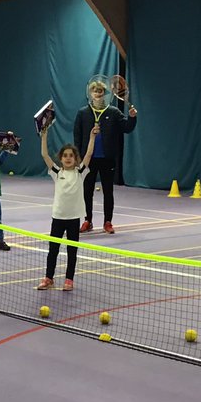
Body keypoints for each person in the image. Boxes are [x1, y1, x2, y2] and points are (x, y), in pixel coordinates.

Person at [36, 122, 98, 291]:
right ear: (61, 158)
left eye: (71, 155)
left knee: (72, 251)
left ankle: (69, 279)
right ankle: (49, 278)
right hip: (58, 217)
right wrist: (44, 136)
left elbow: (89, 154)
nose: (68, 158)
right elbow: (44, 155)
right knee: (53, 250)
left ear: (75, 158)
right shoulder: (57, 172)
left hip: (73, 218)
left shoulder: (80, 173)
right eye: (65, 156)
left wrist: (92, 137)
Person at [72, 76, 137, 234]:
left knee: (108, 191)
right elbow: (77, 136)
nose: (98, 94)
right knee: (87, 192)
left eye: (101, 91)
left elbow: (127, 127)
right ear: (90, 93)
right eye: (95, 91)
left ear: (105, 93)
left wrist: (133, 117)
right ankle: (88, 220)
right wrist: (78, 158)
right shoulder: (83, 113)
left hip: (108, 159)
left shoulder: (114, 112)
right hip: (88, 160)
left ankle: (108, 222)